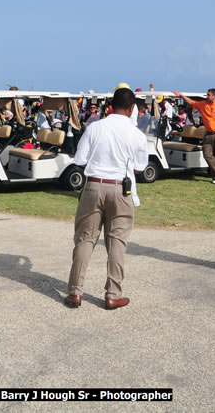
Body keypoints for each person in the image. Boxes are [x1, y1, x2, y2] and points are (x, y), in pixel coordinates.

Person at [64, 87, 147, 310]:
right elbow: (140, 167)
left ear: (111, 105)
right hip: (120, 189)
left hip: (93, 186)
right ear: (131, 109)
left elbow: (80, 160)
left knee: (85, 239)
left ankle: (74, 292)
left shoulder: (95, 127)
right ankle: (113, 294)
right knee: (117, 242)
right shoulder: (137, 134)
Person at [173, 88, 215, 184]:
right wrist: (181, 95)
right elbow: (191, 102)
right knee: (207, 155)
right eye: (207, 95)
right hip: (208, 133)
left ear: (214, 96)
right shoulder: (203, 104)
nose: (207, 96)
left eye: (208, 95)